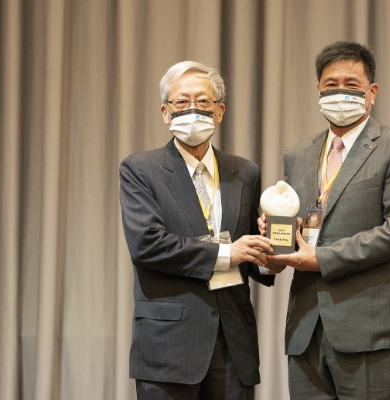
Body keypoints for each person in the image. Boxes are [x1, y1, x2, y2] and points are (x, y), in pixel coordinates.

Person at [260, 41, 390, 399]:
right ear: (318, 91)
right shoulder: (298, 155)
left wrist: (321, 258)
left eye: (351, 85)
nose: (340, 93)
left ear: (372, 92)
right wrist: (276, 242)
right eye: (331, 85)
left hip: (372, 329)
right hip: (305, 331)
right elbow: (304, 230)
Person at [120, 60, 274, 400]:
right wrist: (227, 253)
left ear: (219, 112)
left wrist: (271, 257)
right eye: (182, 102)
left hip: (233, 346)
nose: (193, 109)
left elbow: (250, 250)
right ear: (165, 112)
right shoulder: (141, 169)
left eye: (203, 102)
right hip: (169, 348)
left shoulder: (245, 172)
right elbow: (147, 244)